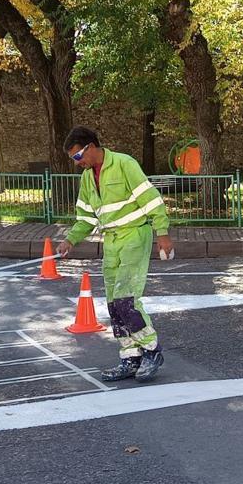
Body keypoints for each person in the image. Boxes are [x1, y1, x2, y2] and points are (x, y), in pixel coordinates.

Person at [57, 126, 173, 382]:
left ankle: (152, 351)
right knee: (114, 304)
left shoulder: (124, 164)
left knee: (127, 299)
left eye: (78, 157)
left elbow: (152, 200)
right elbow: (86, 217)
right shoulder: (88, 178)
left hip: (134, 236)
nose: (78, 164)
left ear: (91, 147)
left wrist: (162, 233)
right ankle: (130, 358)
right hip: (111, 241)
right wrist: (70, 240)